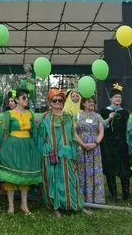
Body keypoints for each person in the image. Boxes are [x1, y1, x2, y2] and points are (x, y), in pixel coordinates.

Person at [38, 89, 86, 217]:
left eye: (60, 100)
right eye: (55, 100)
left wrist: (75, 149)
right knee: (53, 180)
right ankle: (55, 207)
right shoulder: (45, 117)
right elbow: (40, 137)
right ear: (50, 102)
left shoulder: (68, 116)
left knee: (72, 179)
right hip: (51, 154)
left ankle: (76, 205)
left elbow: (72, 135)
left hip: (67, 153)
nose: (58, 102)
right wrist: (43, 153)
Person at [0, 89, 41, 214]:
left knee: (24, 173)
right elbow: (2, 130)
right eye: (24, 98)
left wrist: (37, 146)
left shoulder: (30, 114)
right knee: (11, 175)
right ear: (17, 100)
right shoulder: (9, 114)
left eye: (27, 98)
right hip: (12, 145)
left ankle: (24, 205)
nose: (26, 100)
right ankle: (11, 206)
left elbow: (34, 132)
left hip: (27, 146)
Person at [100, 83, 131, 201]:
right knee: (110, 169)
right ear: (111, 99)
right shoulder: (104, 111)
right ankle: (113, 194)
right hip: (108, 144)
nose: (118, 99)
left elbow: (128, 128)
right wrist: (109, 118)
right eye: (116, 97)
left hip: (122, 144)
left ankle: (126, 194)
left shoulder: (125, 112)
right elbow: (101, 126)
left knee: (124, 169)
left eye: (120, 97)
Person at [76, 97, 106, 204]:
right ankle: (81, 197)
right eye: (89, 101)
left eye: (93, 102)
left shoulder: (98, 116)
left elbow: (101, 132)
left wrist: (95, 143)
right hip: (81, 147)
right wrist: (83, 144)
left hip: (95, 148)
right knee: (81, 170)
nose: (91, 103)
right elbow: (74, 132)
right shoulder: (78, 115)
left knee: (95, 170)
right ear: (83, 103)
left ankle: (95, 198)